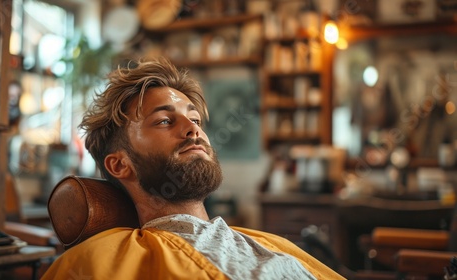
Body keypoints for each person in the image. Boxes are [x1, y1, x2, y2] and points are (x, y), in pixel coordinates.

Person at [41, 57, 345, 280]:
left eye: (196, 120)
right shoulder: (98, 265)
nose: (193, 130)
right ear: (120, 164)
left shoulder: (268, 242)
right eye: (164, 121)